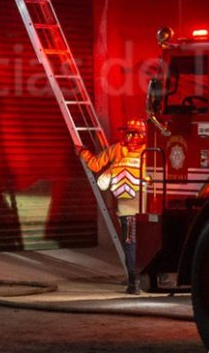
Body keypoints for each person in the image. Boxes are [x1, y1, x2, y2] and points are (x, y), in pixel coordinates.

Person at [78, 119, 147, 295]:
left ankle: (134, 284)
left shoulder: (117, 149)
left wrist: (83, 152)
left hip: (127, 211)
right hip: (149, 211)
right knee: (149, 244)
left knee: (130, 245)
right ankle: (157, 278)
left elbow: (95, 164)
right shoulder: (150, 152)